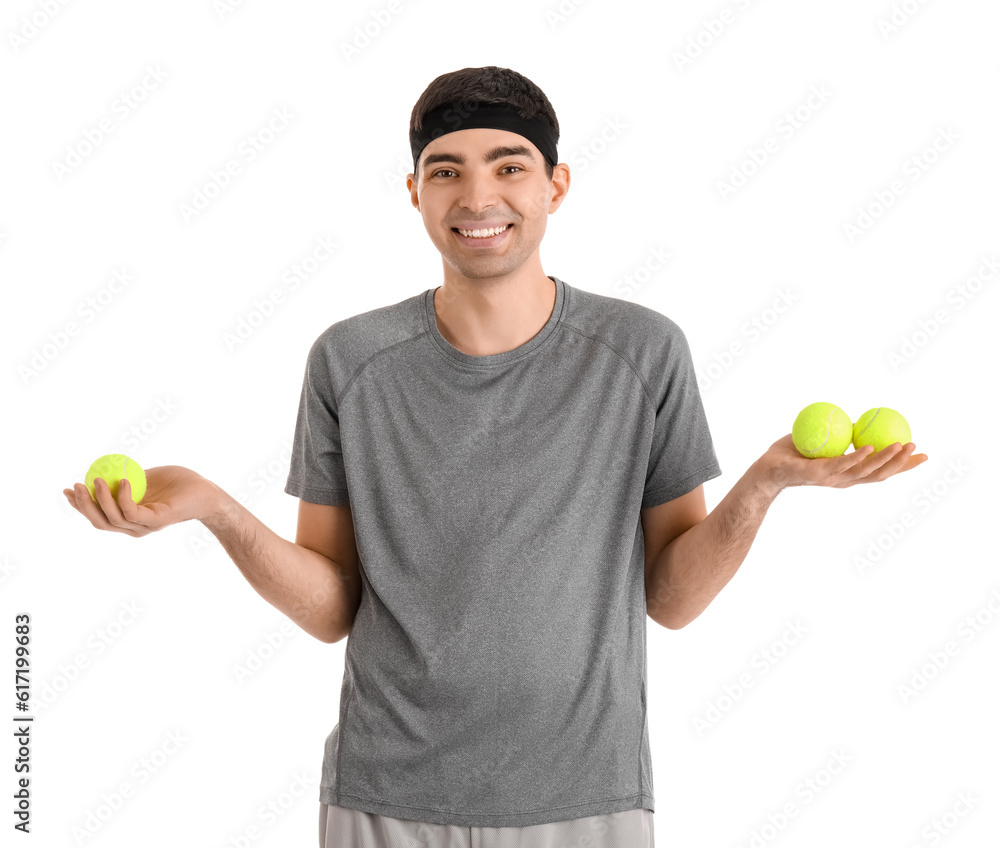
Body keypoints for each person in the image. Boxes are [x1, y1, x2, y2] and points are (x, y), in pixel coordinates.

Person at [64, 66, 927, 848]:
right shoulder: (349, 361)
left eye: (509, 166)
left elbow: (671, 598)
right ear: (414, 192)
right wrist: (216, 508)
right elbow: (332, 607)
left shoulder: (643, 351)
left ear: (556, 183)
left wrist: (763, 484)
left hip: (587, 795)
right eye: (448, 170)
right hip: (386, 797)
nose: (478, 195)